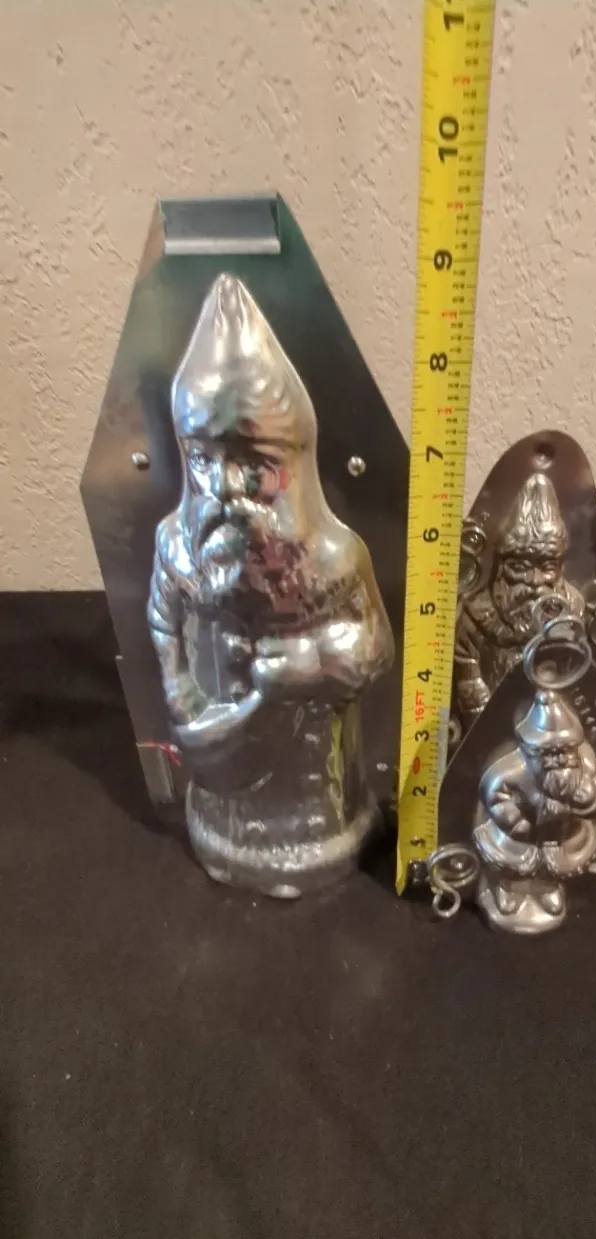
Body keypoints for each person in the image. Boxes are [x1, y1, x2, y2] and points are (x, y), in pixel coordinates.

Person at [148, 274, 393, 897]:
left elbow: (377, 648)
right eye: (204, 461)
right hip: (222, 774)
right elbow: (160, 619)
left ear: (293, 465)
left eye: (252, 466)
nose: (226, 488)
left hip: (315, 782)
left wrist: (312, 663)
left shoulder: (336, 559)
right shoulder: (177, 545)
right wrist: (179, 692)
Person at [473, 689, 596, 933]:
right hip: (520, 835)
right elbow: (495, 796)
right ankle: (508, 890)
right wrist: (518, 824)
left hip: (562, 833)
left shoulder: (584, 763)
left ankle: (547, 889)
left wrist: (588, 798)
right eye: (550, 754)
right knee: (515, 865)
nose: (559, 760)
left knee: (554, 865)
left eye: (565, 752)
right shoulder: (511, 768)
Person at [454, 473, 585, 727]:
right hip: (493, 719)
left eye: (546, 567)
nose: (534, 581)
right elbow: (467, 670)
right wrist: (482, 718)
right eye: (520, 567)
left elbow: (578, 672)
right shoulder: (477, 615)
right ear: (501, 567)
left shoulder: (572, 609)